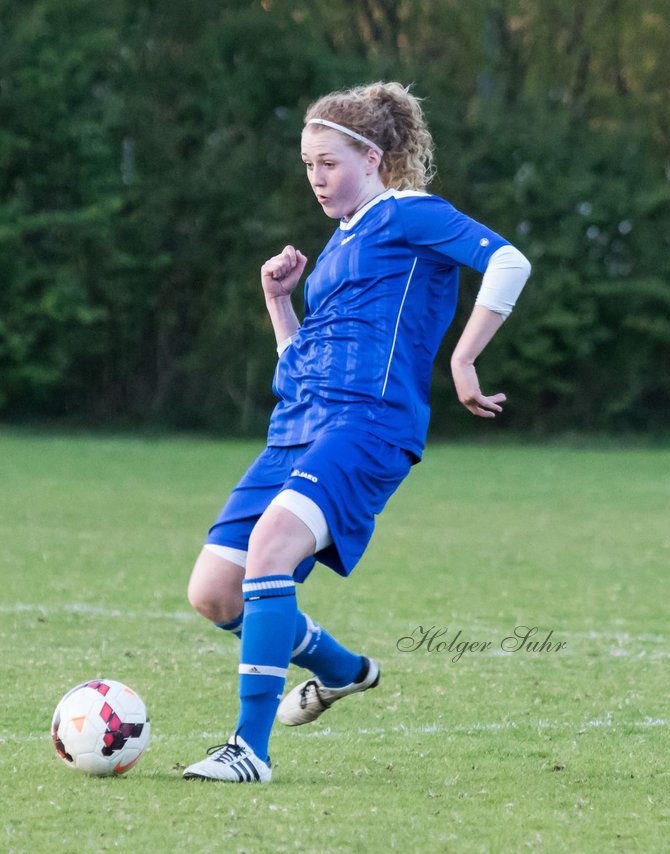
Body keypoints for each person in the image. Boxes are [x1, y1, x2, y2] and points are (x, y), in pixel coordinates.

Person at [181, 82, 532, 783]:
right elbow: (303, 366)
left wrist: (463, 357)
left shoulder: (407, 214)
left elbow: (508, 260)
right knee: (215, 593)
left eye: (328, 162)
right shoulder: (338, 247)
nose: (315, 177)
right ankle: (343, 670)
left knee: (269, 547)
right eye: (308, 164)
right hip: (298, 428)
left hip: (368, 423)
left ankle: (249, 750)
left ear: (372, 157)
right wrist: (279, 301)